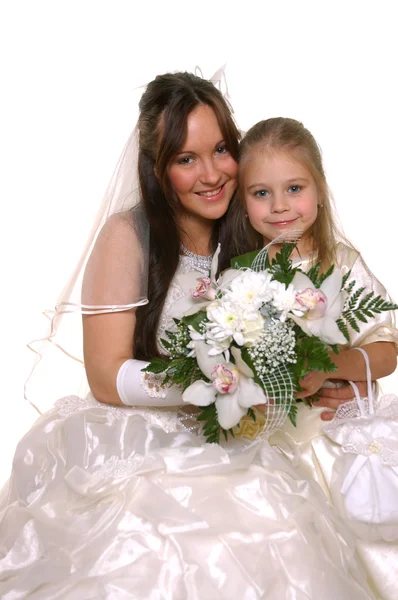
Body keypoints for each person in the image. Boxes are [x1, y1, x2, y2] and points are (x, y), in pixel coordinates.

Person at [0, 74, 377, 599]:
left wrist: (319, 376)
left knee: (273, 522)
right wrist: (227, 387)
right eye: (186, 159)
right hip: (143, 436)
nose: (211, 174)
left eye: (221, 149)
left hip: (242, 440)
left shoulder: (258, 227)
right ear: (158, 170)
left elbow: (328, 328)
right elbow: (106, 377)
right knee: (167, 545)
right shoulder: (128, 236)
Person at [235, 116, 398, 600]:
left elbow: (387, 350)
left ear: (321, 189)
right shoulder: (241, 271)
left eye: (294, 188)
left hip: (327, 431)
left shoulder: (340, 264)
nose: (280, 206)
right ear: (242, 201)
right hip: (264, 438)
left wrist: (330, 367)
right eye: (261, 193)